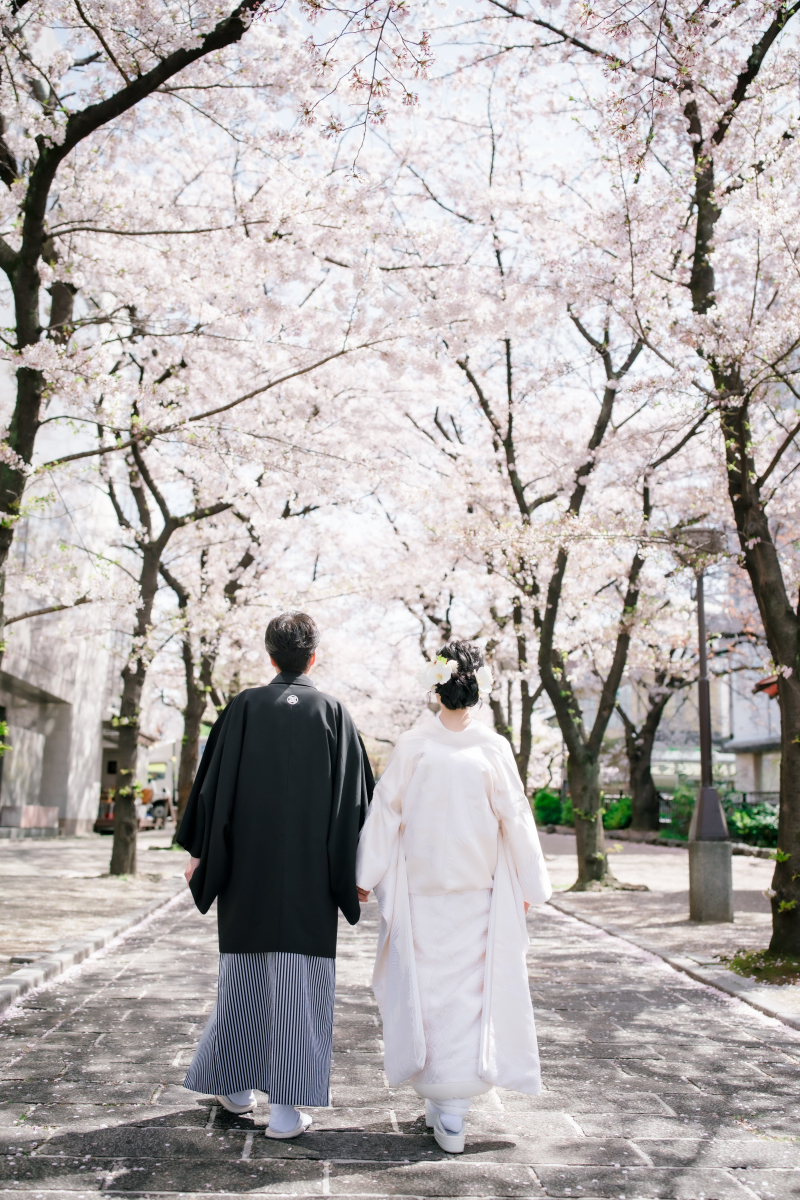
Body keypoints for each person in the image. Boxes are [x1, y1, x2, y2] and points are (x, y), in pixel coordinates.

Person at [177, 612, 373, 1138]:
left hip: (247, 873)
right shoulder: (334, 712)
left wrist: (200, 851)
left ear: (271, 656)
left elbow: (211, 788)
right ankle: (286, 1111)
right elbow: (357, 803)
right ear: (313, 657)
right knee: (300, 985)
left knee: (241, 978)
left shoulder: (242, 707)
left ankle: (236, 1087)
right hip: (311, 878)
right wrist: (359, 872)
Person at [355, 640, 552, 1154]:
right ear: (480, 690)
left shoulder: (414, 745)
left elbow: (385, 813)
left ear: (435, 688)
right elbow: (516, 817)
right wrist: (531, 885)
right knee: (469, 1000)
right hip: (477, 894)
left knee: (427, 997)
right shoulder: (492, 748)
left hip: (422, 894)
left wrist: (363, 874)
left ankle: (444, 1103)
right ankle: (452, 1109)